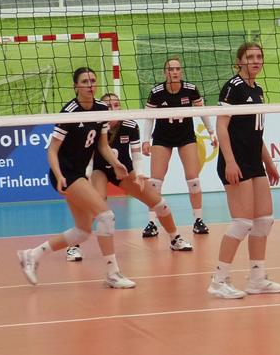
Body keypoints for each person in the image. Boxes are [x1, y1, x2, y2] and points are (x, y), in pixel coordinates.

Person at [17, 67, 131, 289]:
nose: (90, 85)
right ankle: (112, 273)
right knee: (106, 216)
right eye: (85, 81)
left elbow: (102, 145)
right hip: (65, 174)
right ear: (76, 86)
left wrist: (116, 163)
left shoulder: (101, 108)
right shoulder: (69, 112)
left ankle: (32, 254)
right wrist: (59, 175)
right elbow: (52, 150)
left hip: (78, 174)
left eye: (93, 81)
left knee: (82, 231)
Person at [68, 93, 194, 262]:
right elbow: (88, 156)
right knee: (95, 204)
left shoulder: (130, 125)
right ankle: (73, 246)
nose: (113, 109)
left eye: (116, 105)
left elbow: (136, 155)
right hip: (99, 170)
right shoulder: (95, 125)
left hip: (124, 171)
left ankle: (175, 238)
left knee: (159, 203)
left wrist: (139, 174)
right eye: (109, 106)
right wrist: (87, 175)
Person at [208, 43, 280, 300]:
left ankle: (257, 279)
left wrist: (269, 163)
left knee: (264, 220)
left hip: (254, 162)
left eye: (259, 56)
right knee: (242, 222)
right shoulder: (233, 87)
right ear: (239, 61)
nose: (255, 60)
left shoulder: (257, 90)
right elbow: (221, 127)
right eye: (250, 57)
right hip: (236, 161)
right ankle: (219, 281)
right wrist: (230, 161)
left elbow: (256, 134)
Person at [141, 58, 214, 239]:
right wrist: (145, 140)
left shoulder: (191, 89)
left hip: (185, 137)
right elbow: (148, 117)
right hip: (162, 138)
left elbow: (202, 111)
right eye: (170, 69)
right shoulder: (156, 92)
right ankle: (152, 223)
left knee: (193, 179)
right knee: (155, 182)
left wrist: (211, 132)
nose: (174, 72)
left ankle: (198, 220)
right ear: (164, 72)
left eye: (177, 69)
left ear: (181, 71)